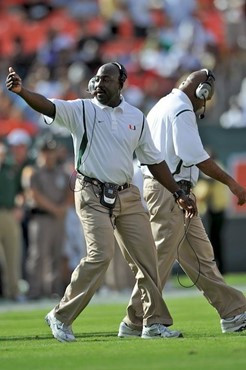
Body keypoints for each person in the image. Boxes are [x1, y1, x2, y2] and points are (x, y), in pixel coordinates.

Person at [6, 63, 196, 342]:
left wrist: (178, 192)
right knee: (100, 255)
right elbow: (47, 106)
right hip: (91, 192)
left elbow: (154, 161)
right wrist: (22, 92)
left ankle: (151, 323)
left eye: (106, 79)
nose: (98, 84)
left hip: (127, 194)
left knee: (148, 259)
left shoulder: (135, 116)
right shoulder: (81, 109)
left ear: (122, 83)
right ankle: (60, 315)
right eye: (95, 79)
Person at [122, 68, 246, 336]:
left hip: (174, 191)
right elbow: (191, 154)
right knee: (160, 258)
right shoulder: (181, 108)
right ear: (202, 90)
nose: (204, 104)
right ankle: (137, 320)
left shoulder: (161, 105)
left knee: (201, 259)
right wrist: (232, 183)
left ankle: (234, 312)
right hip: (171, 190)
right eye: (206, 98)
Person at [25, 138, 70, 299]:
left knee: (56, 254)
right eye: (46, 152)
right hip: (41, 218)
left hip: (58, 219)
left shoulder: (62, 172)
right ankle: (34, 290)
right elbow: (34, 194)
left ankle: (54, 290)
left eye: (51, 152)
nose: (49, 155)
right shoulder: (33, 172)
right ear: (40, 153)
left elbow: (69, 193)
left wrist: (63, 207)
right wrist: (55, 209)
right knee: (38, 255)